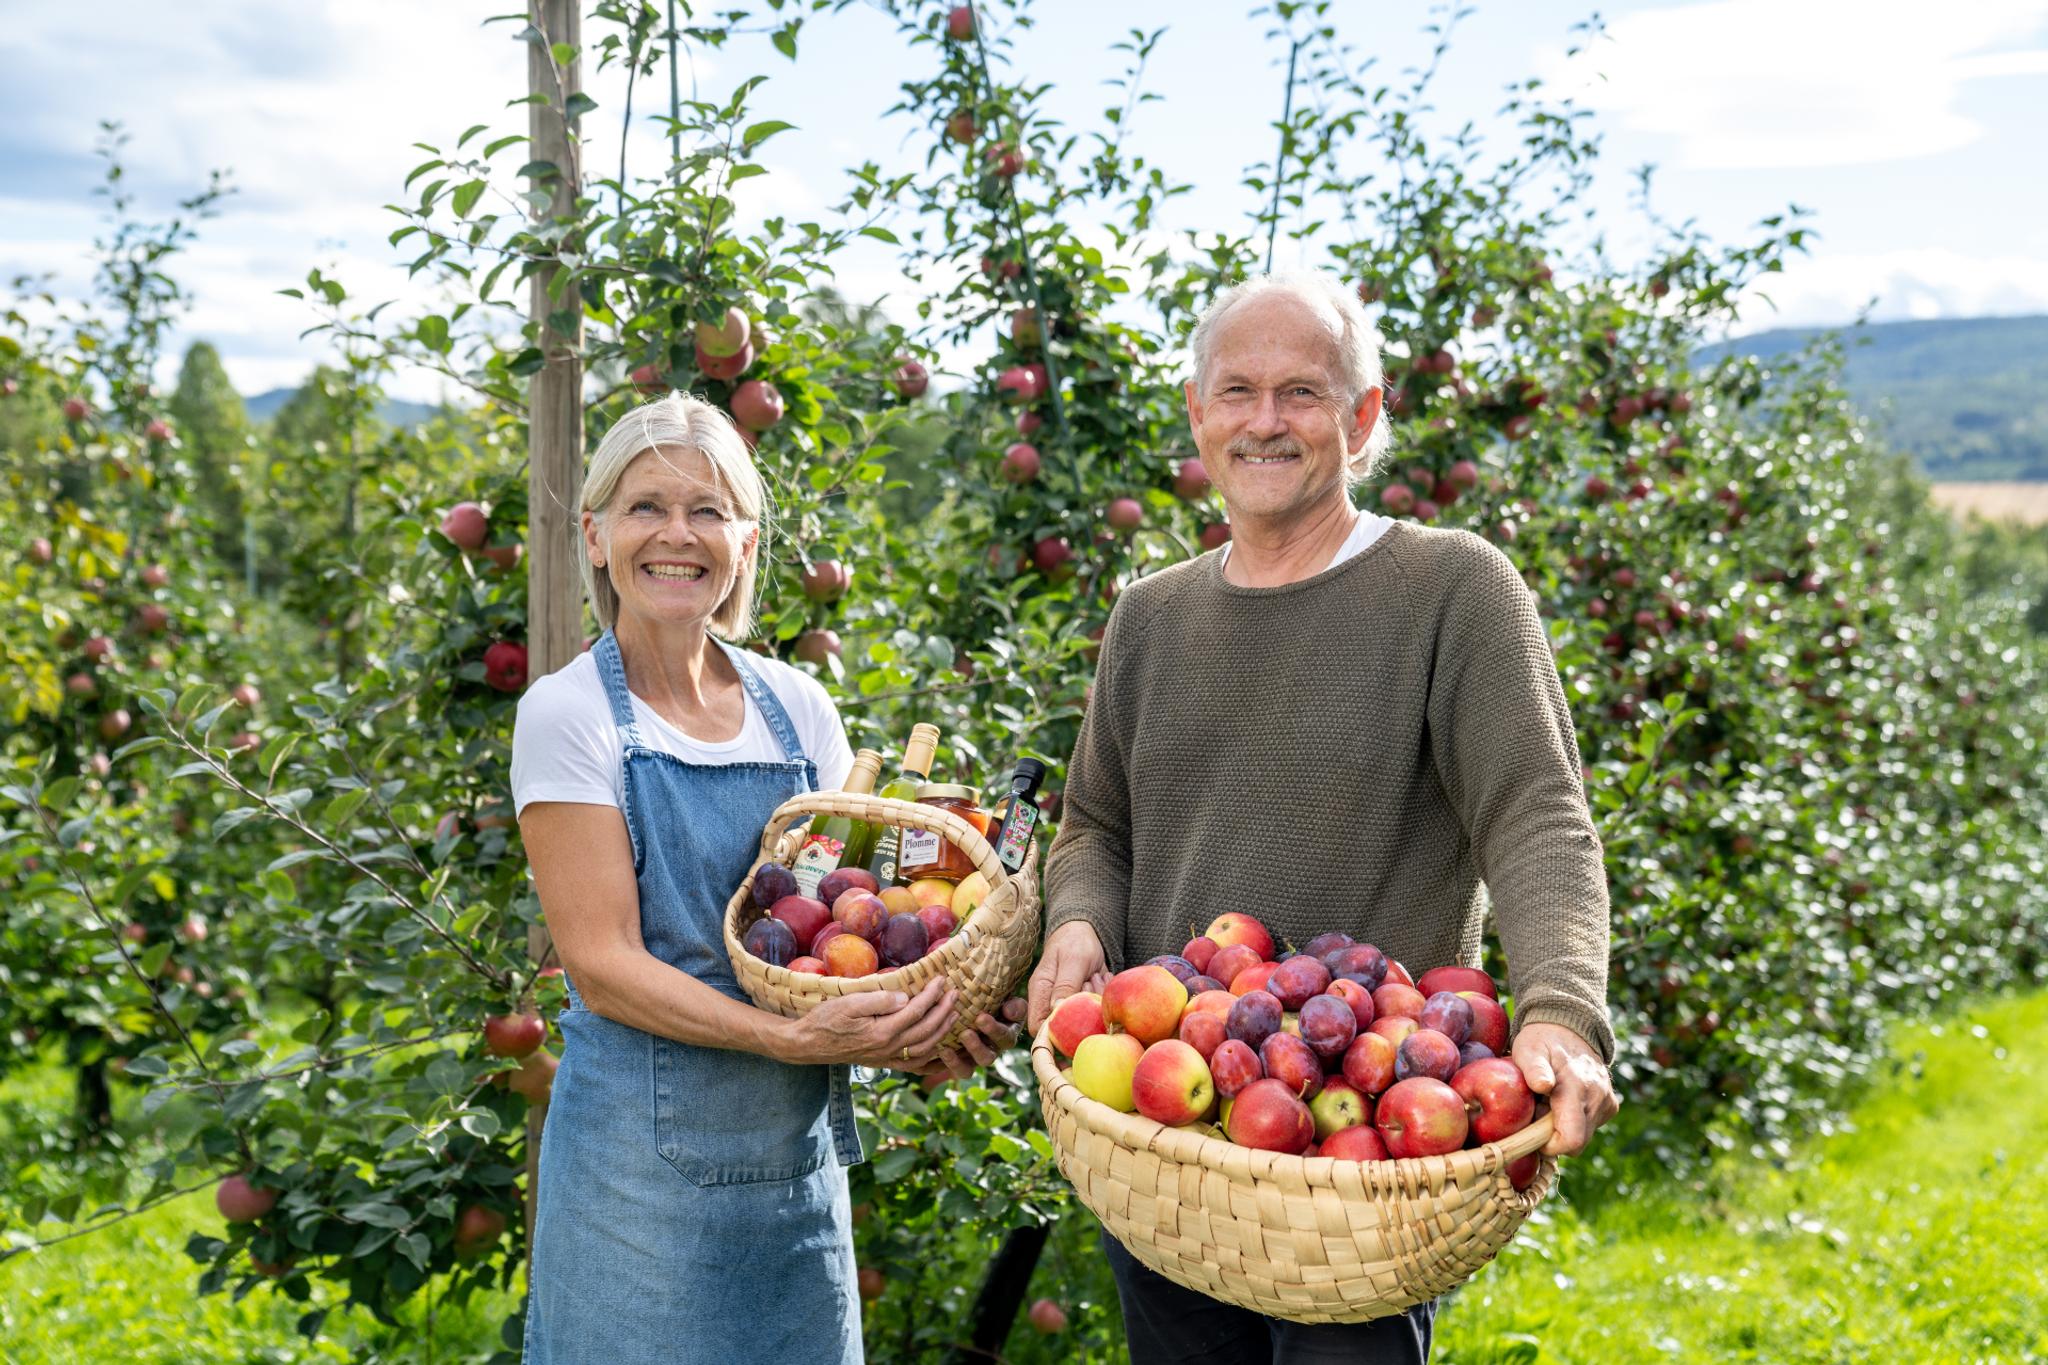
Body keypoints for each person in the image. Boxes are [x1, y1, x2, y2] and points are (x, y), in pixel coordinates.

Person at [1025, 271, 1620, 1364]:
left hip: (1362, 1134)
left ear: (1362, 416)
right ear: (1196, 414)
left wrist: (1561, 1011)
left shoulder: (1452, 589)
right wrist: (1078, 927)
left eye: (1299, 392)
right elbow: (1095, 826)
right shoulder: (1149, 616)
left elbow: (1536, 818)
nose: (1263, 421)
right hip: (1173, 1130)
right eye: (1235, 392)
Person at [513, 393, 961, 1363]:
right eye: (645, 507)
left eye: (708, 510)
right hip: (632, 1192)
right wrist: (789, 1038)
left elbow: (858, 928)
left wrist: (936, 1027)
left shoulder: (797, 709)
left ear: (746, 544)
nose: (677, 534)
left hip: (789, 1183)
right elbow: (601, 966)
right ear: (593, 535)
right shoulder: (568, 715)